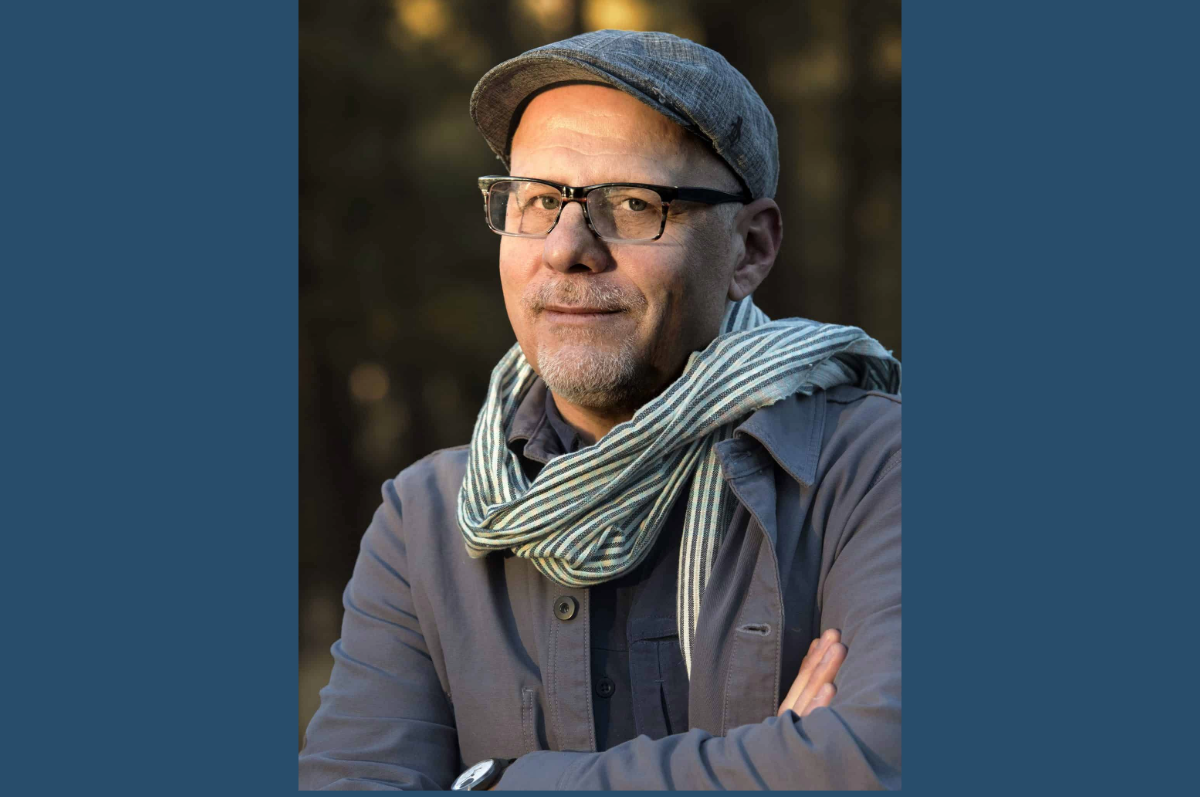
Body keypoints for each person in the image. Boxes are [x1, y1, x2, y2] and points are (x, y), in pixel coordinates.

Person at [299, 30, 901, 790]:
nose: (567, 248)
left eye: (631, 203)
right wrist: (782, 766)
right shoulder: (425, 523)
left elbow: (883, 759)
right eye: (540, 200)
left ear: (750, 247)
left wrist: (499, 784)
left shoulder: (872, 466)